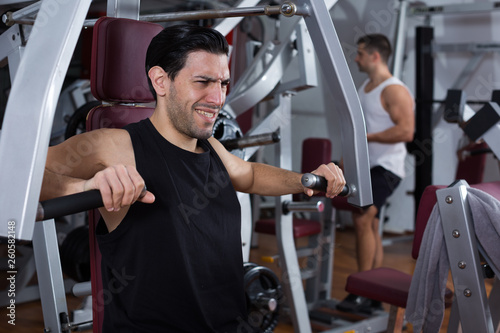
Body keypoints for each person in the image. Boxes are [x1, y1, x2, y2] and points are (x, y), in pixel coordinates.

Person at [40, 24, 346, 332]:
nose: (217, 98)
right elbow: (24, 177)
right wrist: (83, 187)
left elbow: (248, 174)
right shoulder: (113, 145)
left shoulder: (209, 145)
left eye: (224, 84)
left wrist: (305, 180)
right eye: (203, 82)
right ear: (161, 81)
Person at [337, 34, 414, 313]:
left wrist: (368, 138)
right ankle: (374, 293)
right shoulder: (366, 86)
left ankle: (360, 290)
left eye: (360, 54)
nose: (356, 58)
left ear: (375, 56)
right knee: (370, 225)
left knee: (362, 217)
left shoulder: (395, 90)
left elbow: (406, 131)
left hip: (388, 169)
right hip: (366, 167)